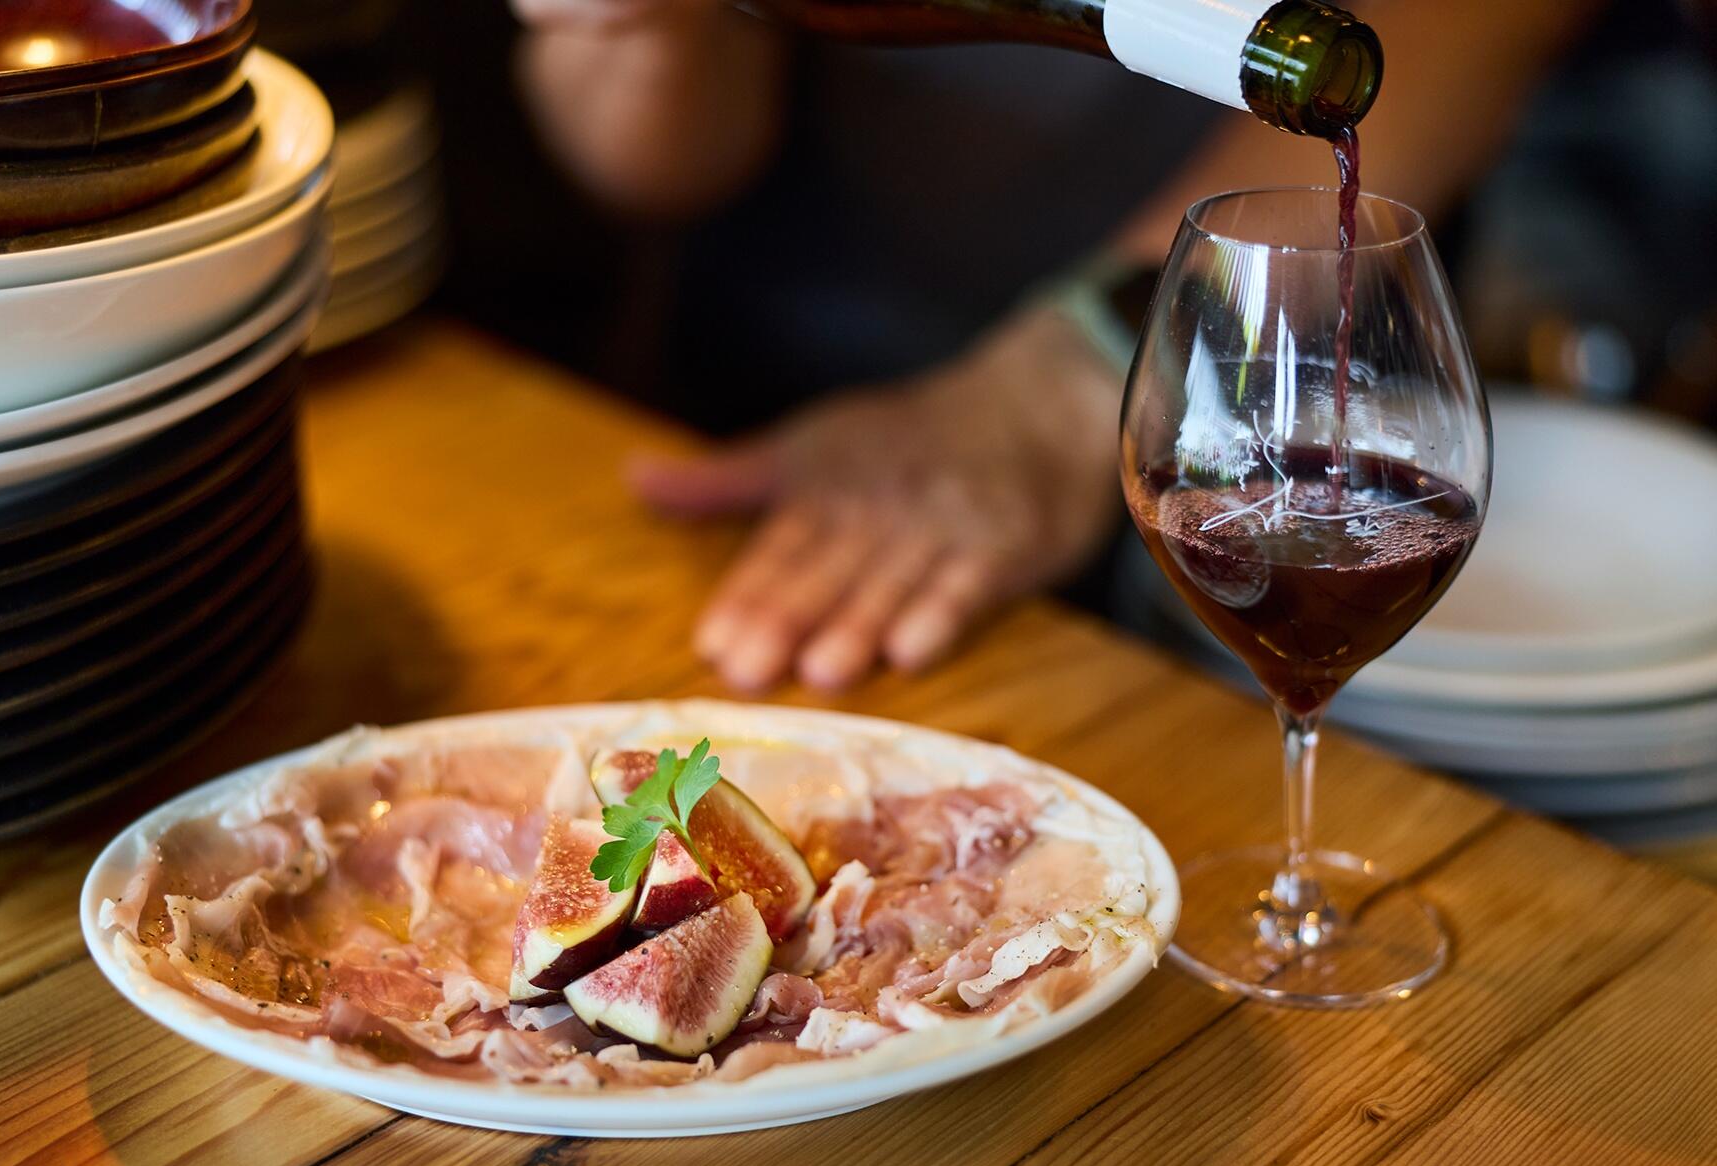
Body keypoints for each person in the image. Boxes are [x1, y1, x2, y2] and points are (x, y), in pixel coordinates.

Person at [508, 0, 1599, 692]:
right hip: (781, 452)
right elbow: (649, 166)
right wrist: (648, 30)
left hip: (1246, 408)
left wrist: (1085, 366)